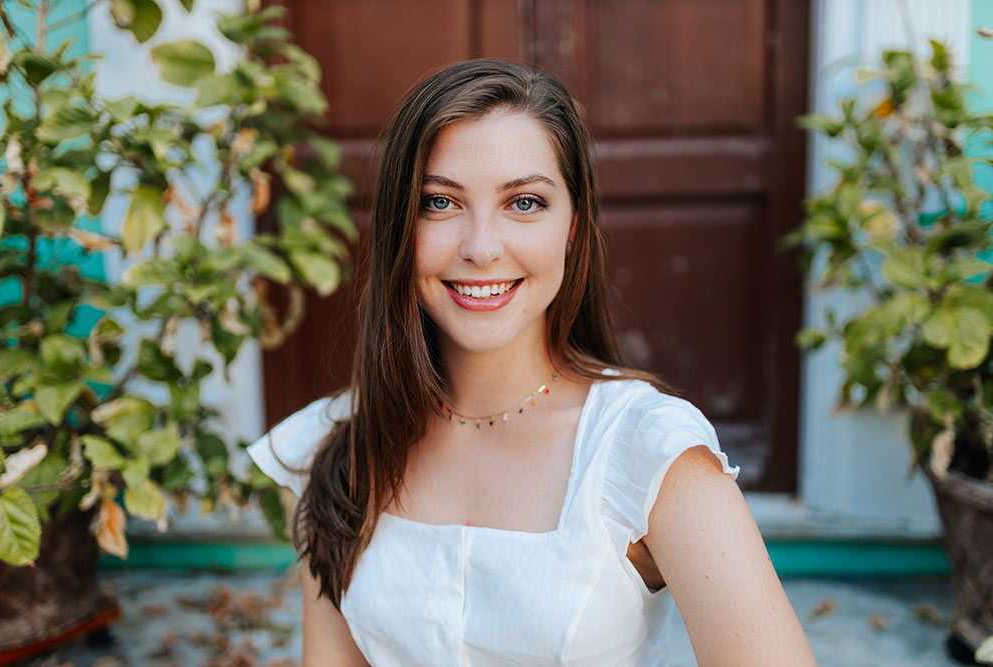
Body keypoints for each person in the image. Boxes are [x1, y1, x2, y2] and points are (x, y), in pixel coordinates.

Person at [247, 59, 816, 666]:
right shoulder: (337, 447)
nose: (482, 248)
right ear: (397, 226)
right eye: (439, 202)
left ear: (573, 226)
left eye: (524, 202)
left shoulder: (647, 454)